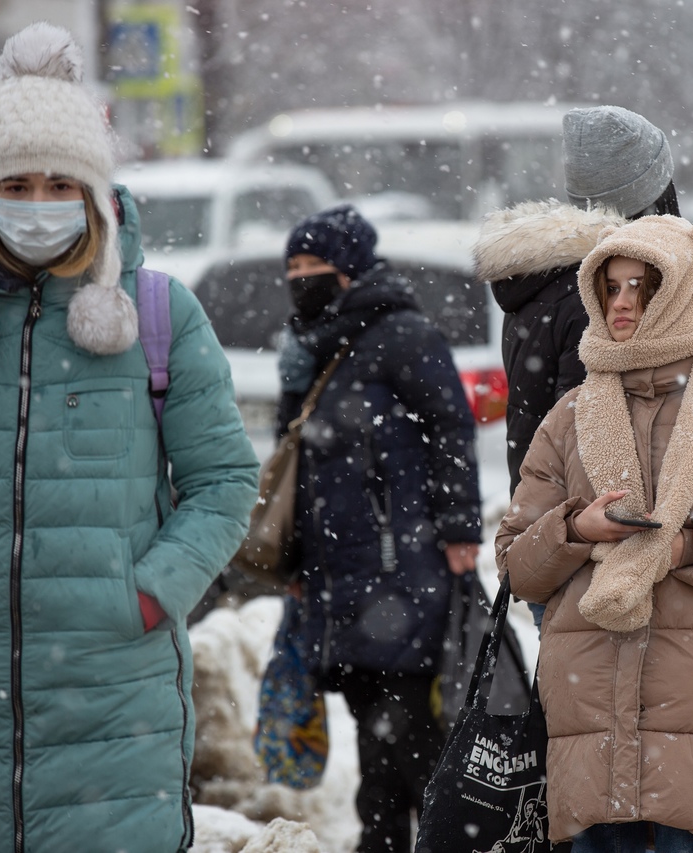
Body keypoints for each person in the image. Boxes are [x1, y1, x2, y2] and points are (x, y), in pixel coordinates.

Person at [0, 24, 259, 852]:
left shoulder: (159, 316)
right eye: (16, 182)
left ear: (94, 196)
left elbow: (223, 480)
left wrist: (145, 595)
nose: (37, 204)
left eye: (58, 183)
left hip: (116, 713)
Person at [495, 215, 693, 852]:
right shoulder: (570, 416)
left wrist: (686, 546)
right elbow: (514, 565)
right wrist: (577, 531)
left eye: (640, 288)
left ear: (676, 293)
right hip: (587, 713)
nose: (622, 303)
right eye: (611, 288)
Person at [276, 204, 483, 853]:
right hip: (341, 567)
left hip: (403, 561)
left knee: (408, 717)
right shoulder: (314, 346)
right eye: (293, 267)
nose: (301, 277)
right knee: (374, 712)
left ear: (352, 270)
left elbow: (451, 428)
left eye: (315, 266)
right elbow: (302, 463)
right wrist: (298, 563)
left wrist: (458, 527)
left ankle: (436, 836)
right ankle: (386, 837)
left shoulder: (402, 334)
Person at [474, 104, 681, 629]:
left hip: (560, 531)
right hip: (607, 537)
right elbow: (595, 428)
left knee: (577, 700)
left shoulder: (543, 280)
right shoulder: (603, 288)